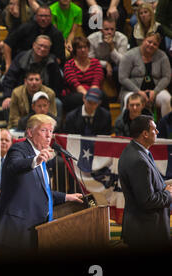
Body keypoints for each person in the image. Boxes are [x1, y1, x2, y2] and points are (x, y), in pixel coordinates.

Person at [0, 114, 83, 251]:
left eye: (51, 131)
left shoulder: (40, 155)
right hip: (15, 233)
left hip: (35, 230)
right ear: (30, 132)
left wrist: (66, 197)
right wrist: (35, 161)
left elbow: (39, 192)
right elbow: (14, 166)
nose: (48, 136)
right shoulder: (19, 149)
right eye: (44, 130)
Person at [118, 115, 172, 249]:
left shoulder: (135, 151)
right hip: (146, 234)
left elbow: (150, 184)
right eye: (155, 129)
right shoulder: (139, 161)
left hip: (144, 230)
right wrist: (168, 194)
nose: (158, 132)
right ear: (145, 134)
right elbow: (147, 201)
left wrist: (165, 185)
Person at [2, 35, 63, 120]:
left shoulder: (52, 61)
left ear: (49, 49)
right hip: (23, 93)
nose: (42, 49)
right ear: (34, 45)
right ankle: (14, 128)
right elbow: (9, 78)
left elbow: (57, 83)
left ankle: (52, 129)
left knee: (58, 103)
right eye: (40, 45)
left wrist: (49, 96)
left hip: (45, 94)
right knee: (8, 103)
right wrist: (7, 96)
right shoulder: (21, 57)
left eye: (46, 47)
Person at [119, 32, 171, 117]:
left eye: (155, 44)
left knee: (167, 99)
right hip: (132, 91)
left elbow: (167, 77)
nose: (151, 45)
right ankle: (127, 127)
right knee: (131, 101)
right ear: (144, 40)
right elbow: (122, 78)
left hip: (155, 91)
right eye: (149, 42)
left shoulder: (162, 56)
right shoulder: (129, 55)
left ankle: (166, 128)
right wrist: (138, 91)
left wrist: (155, 91)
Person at [3, 5, 65, 72]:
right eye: (41, 16)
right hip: (23, 64)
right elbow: (7, 44)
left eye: (46, 16)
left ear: (51, 17)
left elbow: (59, 59)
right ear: (36, 16)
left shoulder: (57, 34)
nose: (43, 19)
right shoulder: (25, 28)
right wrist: (8, 64)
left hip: (47, 67)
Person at [63, 36, 105, 114]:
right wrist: (89, 97)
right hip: (74, 93)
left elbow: (96, 82)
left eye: (85, 47)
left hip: (93, 91)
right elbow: (75, 85)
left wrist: (92, 96)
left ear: (88, 48)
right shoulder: (69, 64)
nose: (83, 50)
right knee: (79, 98)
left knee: (103, 96)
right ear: (75, 50)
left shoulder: (95, 63)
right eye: (79, 47)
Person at [88, 16, 128, 81]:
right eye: (106, 29)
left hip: (115, 64)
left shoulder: (122, 38)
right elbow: (89, 60)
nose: (109, 32)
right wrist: (105, 64)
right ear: (100, 29)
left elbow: (123, 62)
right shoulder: (91, 39)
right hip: (98, 64)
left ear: (115, 29)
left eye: (112, 29)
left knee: (122, 70)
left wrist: (111, 46)